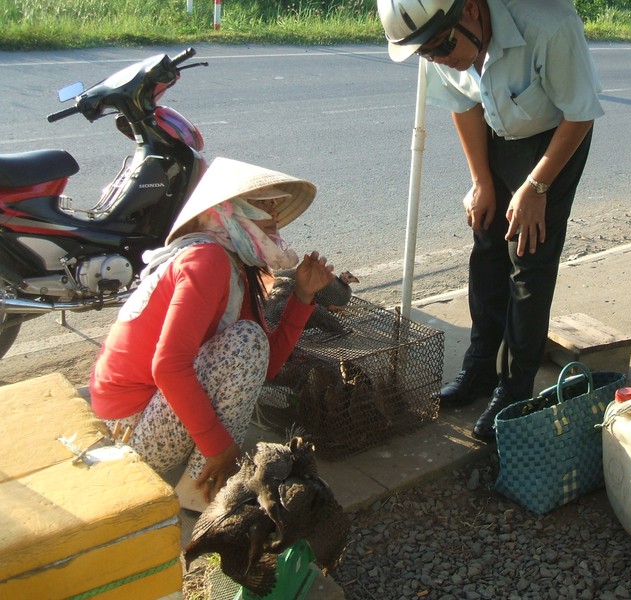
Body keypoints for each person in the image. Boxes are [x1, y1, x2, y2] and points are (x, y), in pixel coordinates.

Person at [377, 0, 604, 441]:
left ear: (473, 10)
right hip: (499, 130)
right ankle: (479, 371)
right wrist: (481, 180)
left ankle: (514, 389)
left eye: (443, 46)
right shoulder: (439, 39)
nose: (441, 60)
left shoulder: (549, 26)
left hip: (555, 137)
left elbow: (580, 113)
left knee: (528, 258)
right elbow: (463, 102)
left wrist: (536, 188)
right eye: (428, 54)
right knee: (486, 244)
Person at [90, 157, 335, 511]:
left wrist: (302, 296)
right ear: (229, 212)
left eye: (275, 206)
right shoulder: (207, 260)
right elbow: (169, 366)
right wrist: (219, 447)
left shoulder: (232, 263)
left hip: (152, 416)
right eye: (264, 206)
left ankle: (202, 472)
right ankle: (196, 488)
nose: (275, 217)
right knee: (246, 340)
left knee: (248, 342)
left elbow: (260, 368)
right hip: (129, 429)